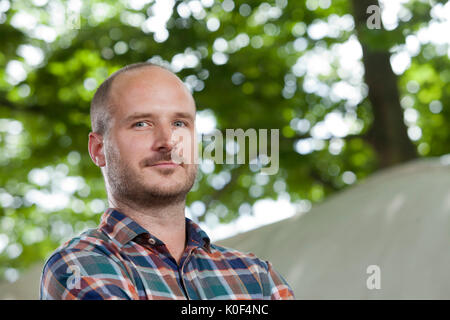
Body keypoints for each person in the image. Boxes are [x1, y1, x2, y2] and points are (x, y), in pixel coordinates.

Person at [39, 62, 295, 300]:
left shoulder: (257, 276)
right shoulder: (79, 265)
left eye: (179, 123)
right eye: (141, 123)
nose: (168, 141)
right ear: (98, 149)